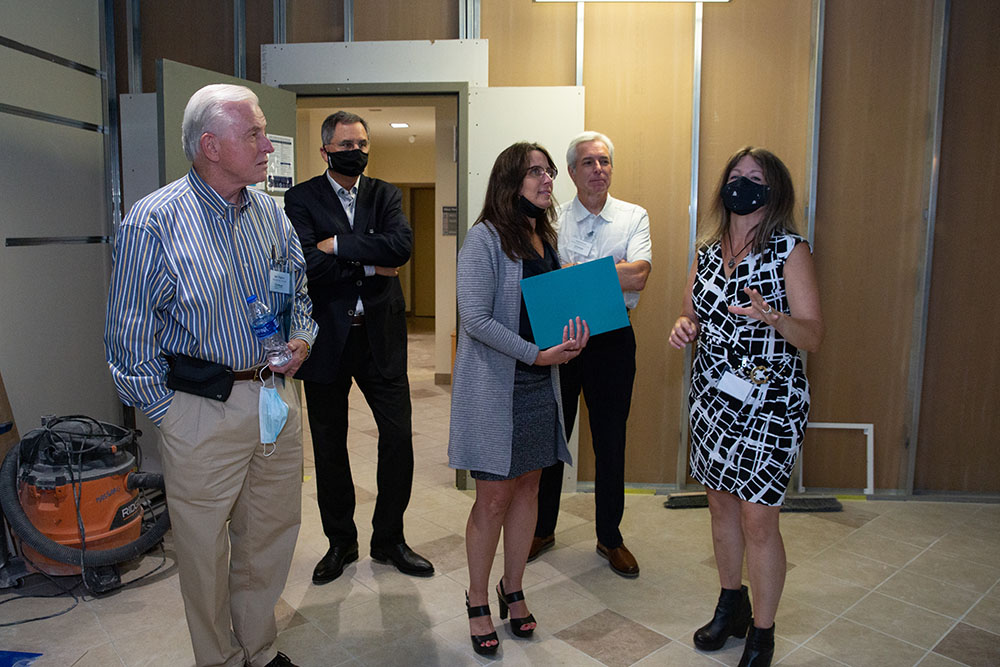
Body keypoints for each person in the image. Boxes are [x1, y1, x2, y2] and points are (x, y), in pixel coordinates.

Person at [105, 84, 317, 667]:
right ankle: (218, 659)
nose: (267, 145)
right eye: (252, 133)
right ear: (210, 146)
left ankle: (258, 646)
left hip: (275, 397)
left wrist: (301, 338)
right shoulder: (154, 222)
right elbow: (127, 340)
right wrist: (170, 416)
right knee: (203, 551)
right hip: (200, 408)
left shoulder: (272, 214)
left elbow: (299, 293)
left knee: (270, 536)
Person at [669, 147, 823, 667]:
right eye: (735, 177)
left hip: (771, 403)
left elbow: (814, 335)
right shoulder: (708, 250)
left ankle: (763, 632)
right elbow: (692, 314)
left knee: (760, 520)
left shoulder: (790, 250)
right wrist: (683, 326)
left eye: (755, 178)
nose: (743, 185)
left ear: (773, 190)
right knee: (720, 508)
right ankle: (730, 603)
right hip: (713, 399)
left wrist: (774, 317)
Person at [449, 142, 590, 656]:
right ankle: (476, 598)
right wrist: (536, 355)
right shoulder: (484, 238)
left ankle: (514, 588)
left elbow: (552, 307)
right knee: (493, 498)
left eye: (550, 171)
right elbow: (477, 320)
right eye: (536, 172)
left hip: (540, 385)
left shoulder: (544, 237)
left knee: (529, 487)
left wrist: (572, 337)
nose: (547, 179)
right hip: (497, 387)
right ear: (510, 180)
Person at [283, 111, 433, 584]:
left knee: (399, 440)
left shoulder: (384, 193)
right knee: (329, 449)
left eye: (363, 142)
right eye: (347, 143)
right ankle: (340, 544)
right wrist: (369, 261)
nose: (357, 150)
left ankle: (389, 540)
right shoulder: (301, 197)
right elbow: (307, 264)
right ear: (326, 149)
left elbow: (400, 248)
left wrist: (338, 246)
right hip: (326, 341)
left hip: (380, 339)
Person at [531, 131, 651, 578]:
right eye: (587, 162)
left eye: (604, 161)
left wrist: (575, 274)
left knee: (610, 442)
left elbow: (638, 276)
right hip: (560, 344)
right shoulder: (551, 218)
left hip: (613, 342)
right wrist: (606, 275)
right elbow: (543, 280)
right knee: (550, 438)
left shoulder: (633, 216)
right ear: (572, 172)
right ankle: (542, 530)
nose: (597, 169)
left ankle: (610, 537)